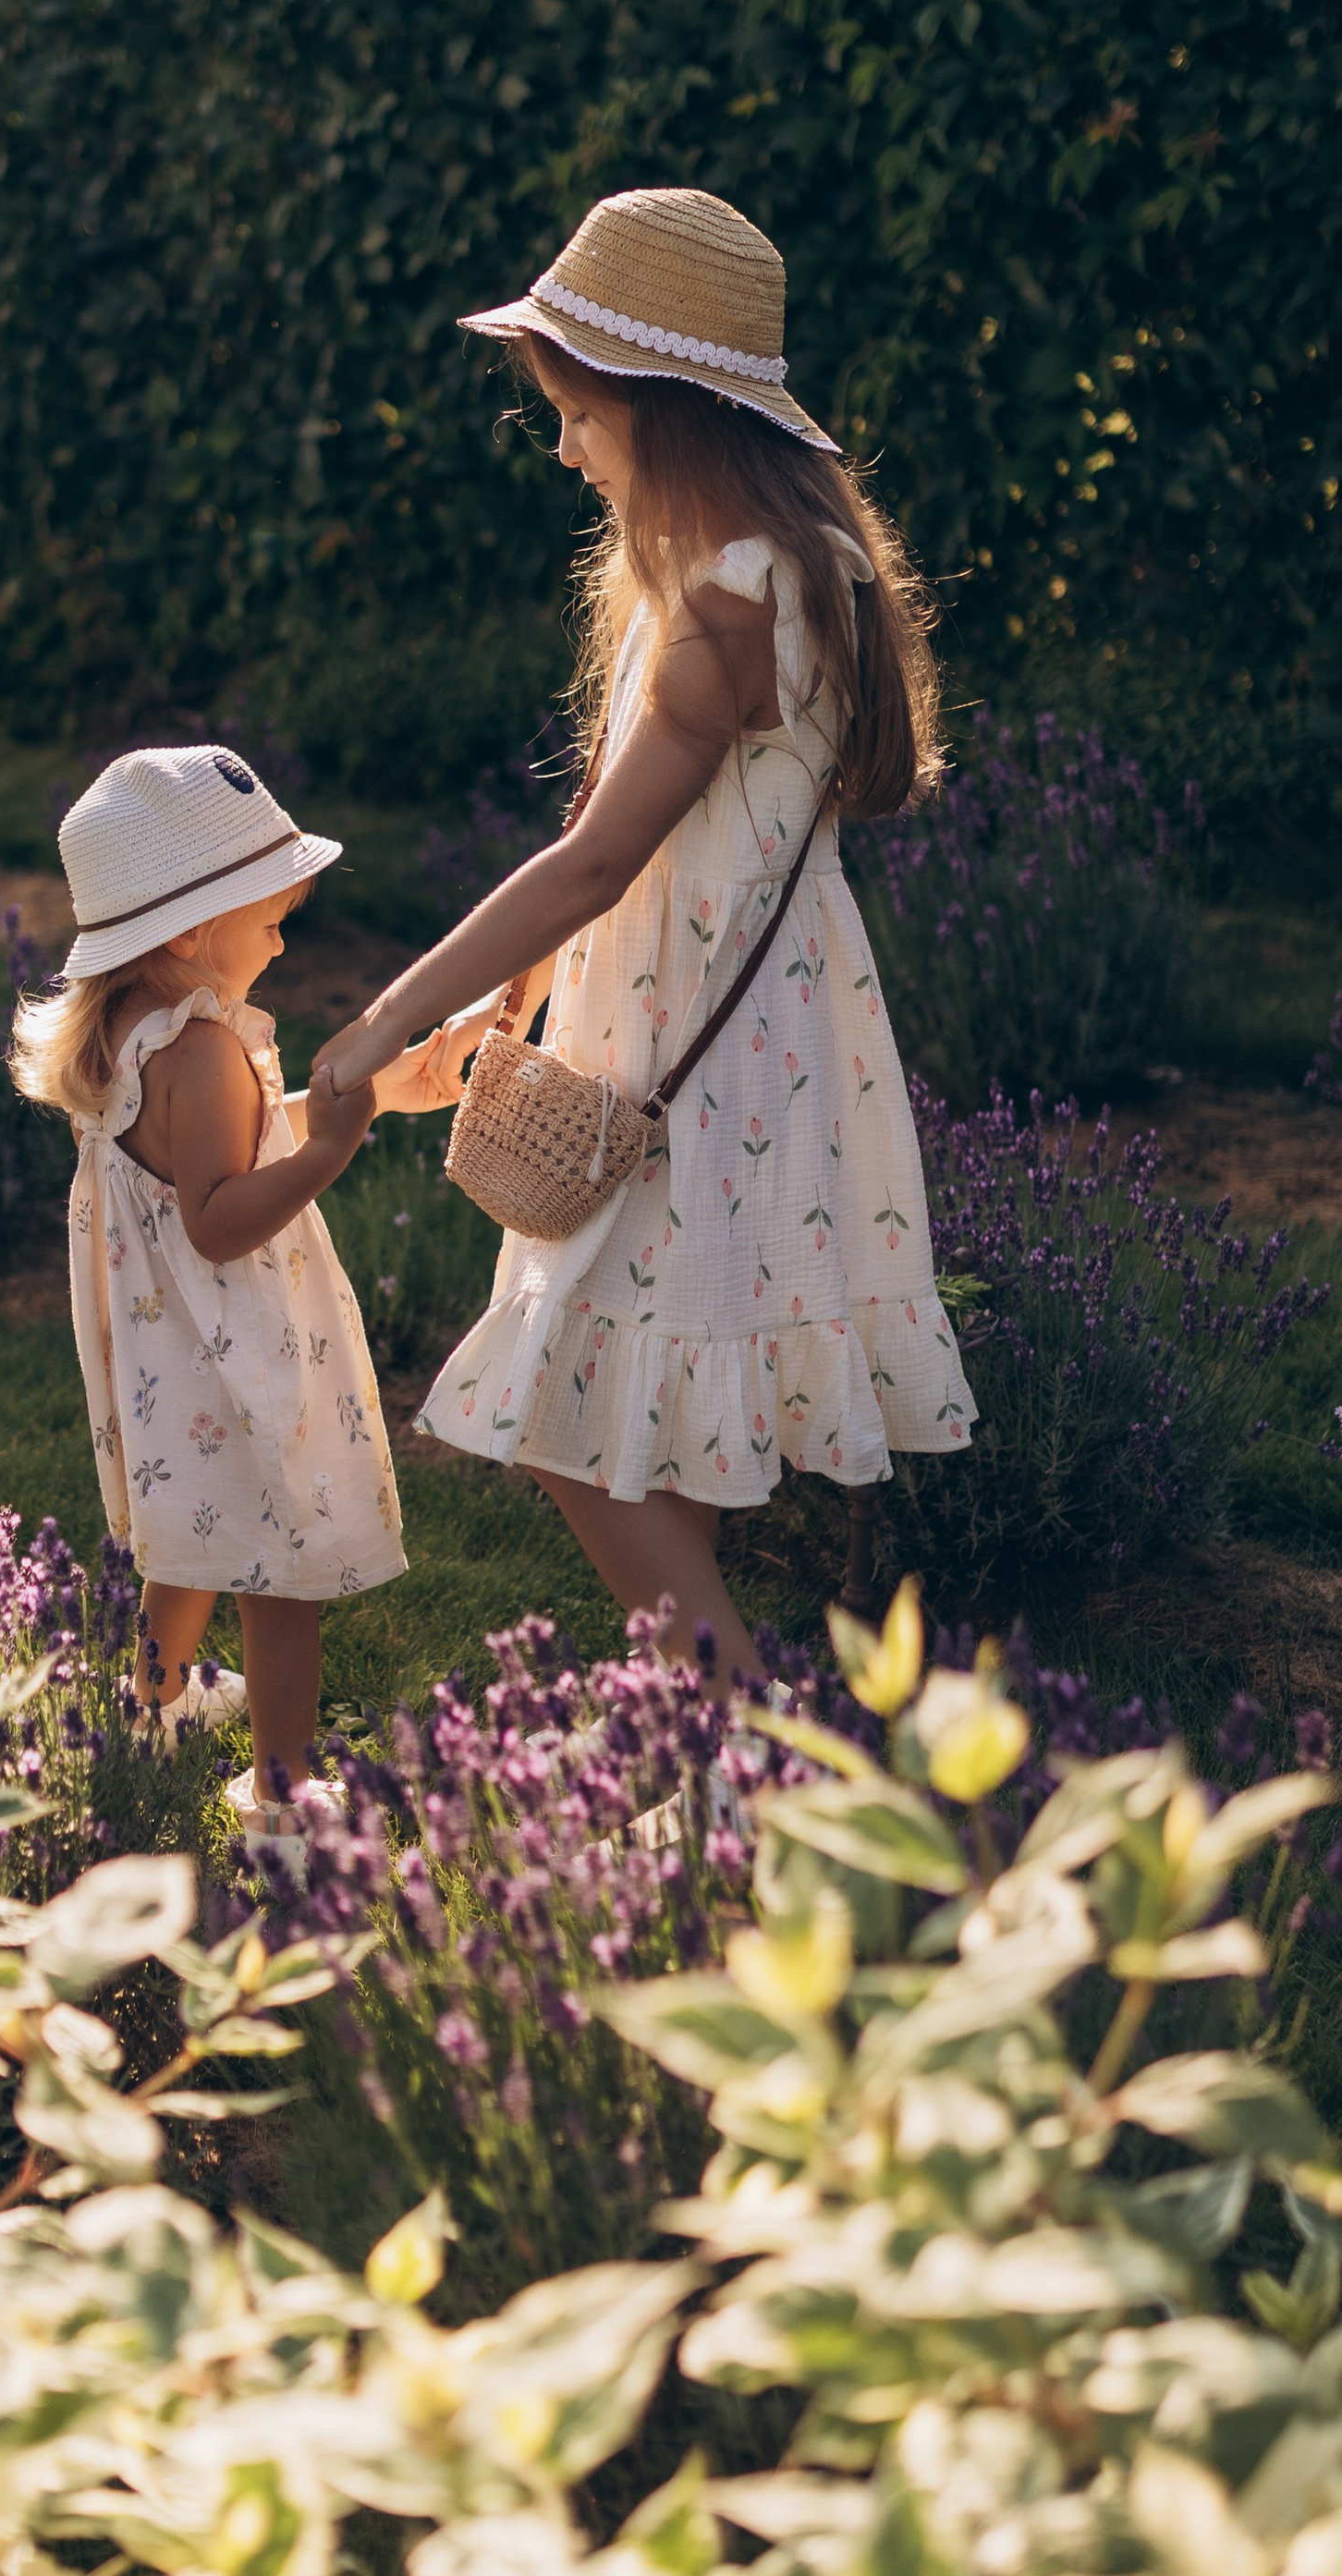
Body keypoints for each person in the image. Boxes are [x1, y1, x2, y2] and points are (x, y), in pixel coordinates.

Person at [314, 186, 975, 1689]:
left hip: (699, 1067)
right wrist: (513, 1002)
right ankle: (705, 1743)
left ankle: (737, 1734)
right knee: (656, 1407)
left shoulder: (733, 604)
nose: (564, 447)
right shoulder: (783, 566)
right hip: (741, 1041)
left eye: (580, 414)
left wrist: (381, 1020)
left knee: (569, 1407)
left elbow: (597, 860)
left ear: (666, 409)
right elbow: (624, 841)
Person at [11, 742, 456, 1850]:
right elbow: (217, 1216)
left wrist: (380, 1092)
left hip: (175, 1364)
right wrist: (335, 1148)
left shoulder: (132, 1037)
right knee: (282, 1575)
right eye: (270, 917)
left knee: (190, 1542)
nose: (283, 939)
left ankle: (143, 1721)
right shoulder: (204, 1050)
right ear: (188, 931)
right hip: (237, 1351)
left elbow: (222, 1147)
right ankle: (283, 1799)